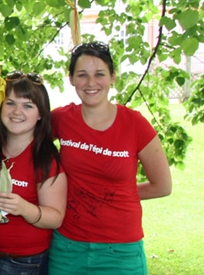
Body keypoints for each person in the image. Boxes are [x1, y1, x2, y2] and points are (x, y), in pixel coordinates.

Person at [49, 42, 172, 275]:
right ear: (71, 79)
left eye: (100, 74)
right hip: (67, 247)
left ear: (113, 77)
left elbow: (162, 186)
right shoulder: (61, 119)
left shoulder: (135, 125)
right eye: (82, 75)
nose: (91, 83)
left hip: (120, 250)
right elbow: (24, 143)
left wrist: (114, 195)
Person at [0, 71, 67, 275]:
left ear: (40, 114)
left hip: (23, 262)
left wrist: (24, 208)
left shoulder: (45, 158)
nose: (17, 111)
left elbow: (55, 217)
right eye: (10, 103)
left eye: (28, 105)